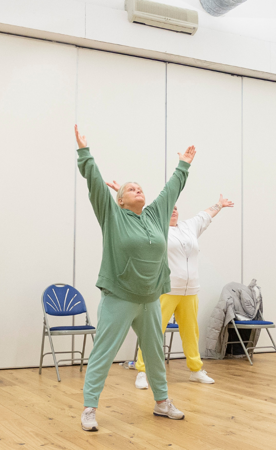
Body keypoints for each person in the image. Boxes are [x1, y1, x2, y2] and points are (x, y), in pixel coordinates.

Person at [74, 125, 193, 432]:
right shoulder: (112, 216)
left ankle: (162, 402)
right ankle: (89, 408)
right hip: (119, 296)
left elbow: (171, 190)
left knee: (154, 353)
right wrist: (85, 153)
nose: (138, 189)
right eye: (130, 188)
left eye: (140, 187)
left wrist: (183, 165)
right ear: (121, 200)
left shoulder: (155, 215)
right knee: (104, 351)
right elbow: (95, 186)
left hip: (151, 298)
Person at [106, 182, 233, 390]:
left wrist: (219, 204)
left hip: (190, 290)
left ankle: (195, 370)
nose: (173, 210)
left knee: (191, 332)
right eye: (169, 208)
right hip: (166, 290)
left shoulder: (189, 226)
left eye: (176, 208)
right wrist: (121, 189)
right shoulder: (153, 227)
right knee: (153, 332)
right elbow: (136, 210)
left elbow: (206, 215)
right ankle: (142, 371)